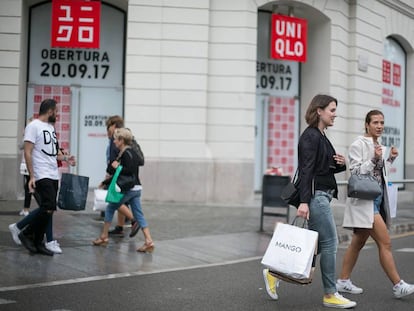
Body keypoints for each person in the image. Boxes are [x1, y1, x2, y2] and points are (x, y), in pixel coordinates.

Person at [262, 94, 356, 309]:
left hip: (322, 195)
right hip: (316, 197)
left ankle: (274, 271)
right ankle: (330, 294)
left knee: (316, 246)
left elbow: (324, 168)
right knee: (330, 243)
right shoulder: (311, 137)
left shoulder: (322, 136)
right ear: (319, 111)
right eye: (332, 110)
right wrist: (304, 202)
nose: (335, 114)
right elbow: (306, 171)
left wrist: (341, 164)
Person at [337, 109, 414, 298]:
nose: (379, 126)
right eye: (375, 123)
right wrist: (374, 159)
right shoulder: (358, 144)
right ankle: (398, 285)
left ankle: (343, 281)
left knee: (358, 242)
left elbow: (379, 171)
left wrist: (390, 158)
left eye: (381, 123)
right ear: (367, 124)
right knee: (385, 242)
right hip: (365, 200)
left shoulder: (378, 144)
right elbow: (355, 173)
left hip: (377, 199)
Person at [14, 98, 75, 256]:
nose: (57, 114)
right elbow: (27, 152)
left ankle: (38, 242)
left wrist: (67, 158)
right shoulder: (33, 126)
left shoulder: (50, 127)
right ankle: (25, 232)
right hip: (41, 173)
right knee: (47, 206)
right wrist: (32, 176)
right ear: (50, 111)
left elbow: (54, 153)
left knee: (49, 209)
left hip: (53, 173)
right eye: (56, 111)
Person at [93, 128, 154, 253]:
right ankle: (149, 241)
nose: (114, 141)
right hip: (136, 188)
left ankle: (104, 237)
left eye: (116, 139)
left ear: (121, 140)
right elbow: (115, 170)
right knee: (139, 215)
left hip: (129, 189)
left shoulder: (126, 153)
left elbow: (126, 171)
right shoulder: (129, 152)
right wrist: (109, 176)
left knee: (110, 207)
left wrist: (117, 167)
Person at [100, 115, 136, 237]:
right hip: (119, 177)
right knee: (117, 202)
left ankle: (133, 220)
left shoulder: (116, 141)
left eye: (109, 126)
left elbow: (115, 162)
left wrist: (108, 177)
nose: (108, 130)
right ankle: (119, 227)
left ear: (114, 126)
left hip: (118, 177)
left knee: (115, 202)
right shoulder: (117, 140)